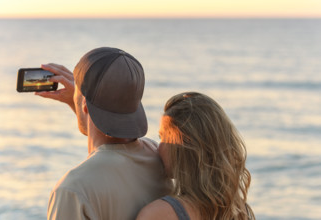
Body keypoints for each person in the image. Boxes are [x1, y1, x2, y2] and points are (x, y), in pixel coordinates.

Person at [36, 47, 171, 220]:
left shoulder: (73, 190)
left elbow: (102, 159)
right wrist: (82, 106)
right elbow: (112, 155)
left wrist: (84, 107)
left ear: (84, 103)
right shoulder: (159, 156)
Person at [137, 92, 255, 220]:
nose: (158, 148)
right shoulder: (238, 211)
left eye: (164, 138)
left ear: (184, 148)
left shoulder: (160, 214)